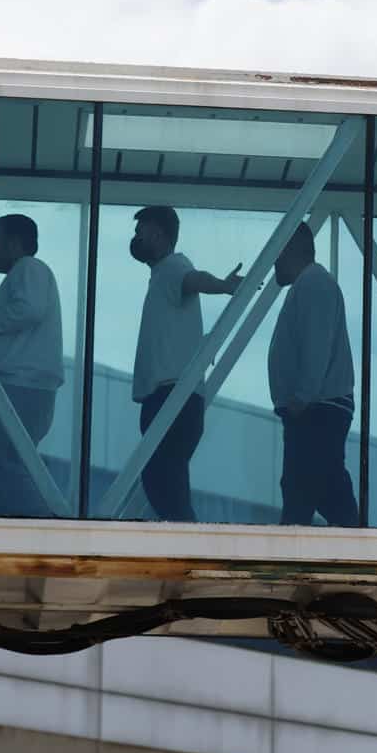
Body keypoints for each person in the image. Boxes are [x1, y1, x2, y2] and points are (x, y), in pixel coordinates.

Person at [129, 205, 242, 522]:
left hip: (171, 398)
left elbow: (194, 279)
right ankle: (185, 540)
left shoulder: (172, 267)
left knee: (162, 480)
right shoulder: (162, 275)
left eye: (141, 232)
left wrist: (222, 285)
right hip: (173, 399)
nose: (136, 238)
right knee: (165, 481)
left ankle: (188, 544)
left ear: (158, 234)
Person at [0, 214, 63, 516]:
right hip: (18, 388)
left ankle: (42, 531)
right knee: (1, 468)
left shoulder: (28, 268)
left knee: (4, 466)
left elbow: (29, 310)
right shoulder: (28, 273)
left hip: (21, 387)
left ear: (14, 243)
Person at [267, 223, 359, 527]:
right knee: (314, 487)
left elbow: (317, 342)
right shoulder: (310, 285)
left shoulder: (314, 284)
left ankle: (350, 549)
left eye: (276, 253)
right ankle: (351, 548)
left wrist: (302, 397)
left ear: (290, 249)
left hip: (317, 407)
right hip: (315, 406)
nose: (273, 262)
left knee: (309, 486)